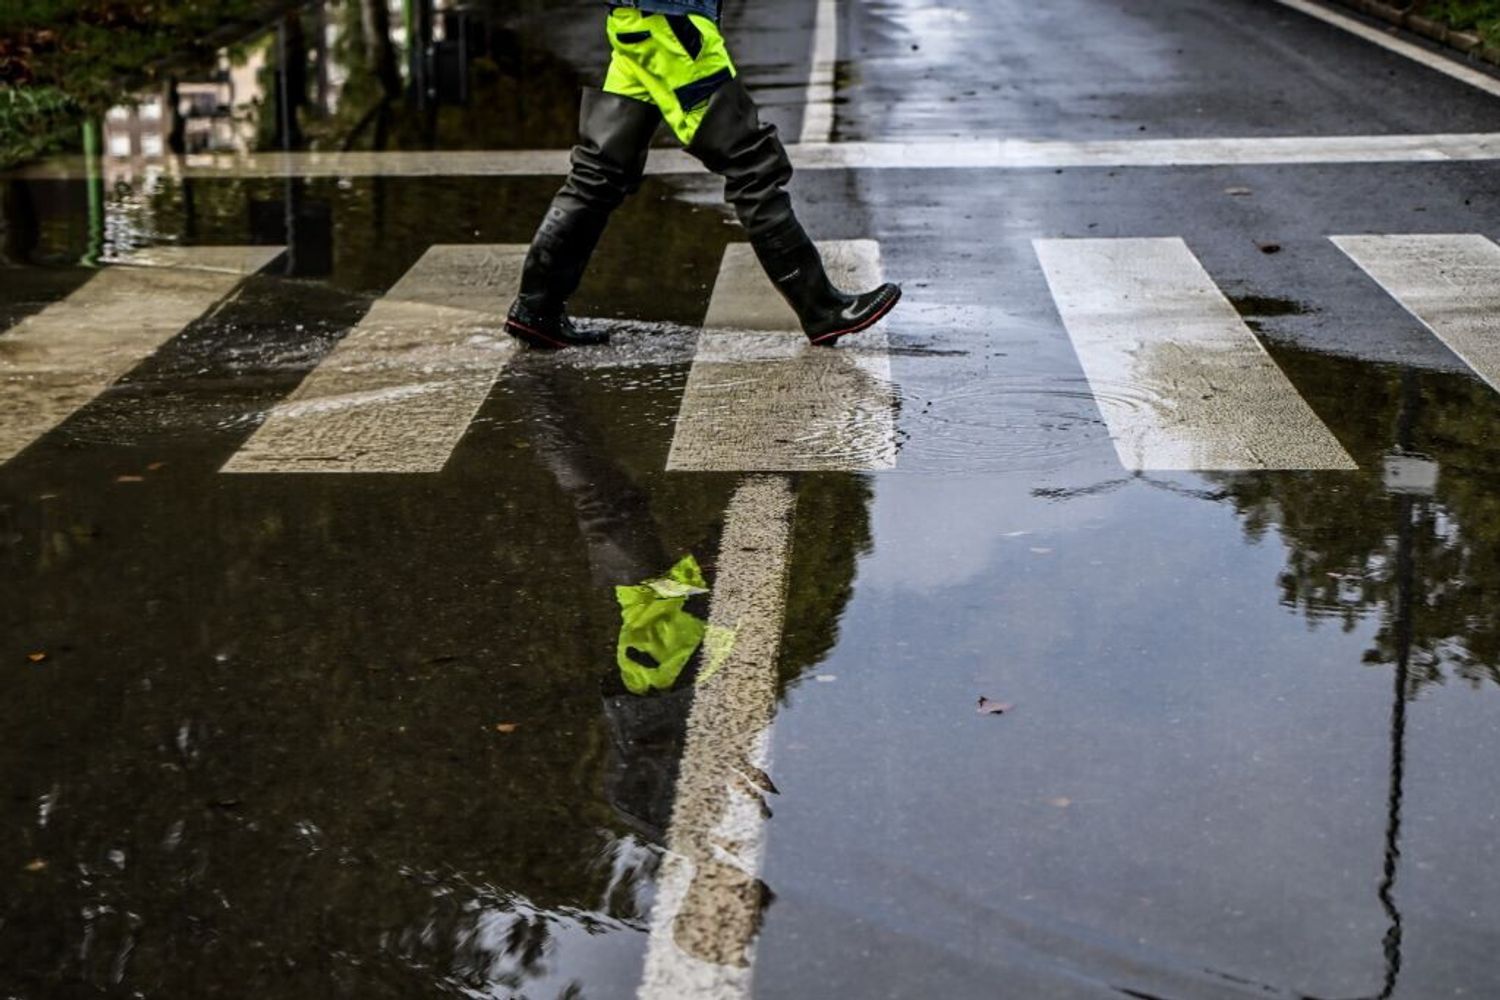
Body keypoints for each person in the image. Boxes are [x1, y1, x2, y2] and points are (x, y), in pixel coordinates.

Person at [505, 0, 902, 350]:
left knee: (601, 170)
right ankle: (822, 309)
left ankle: (537, 308)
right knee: (753, 163)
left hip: (639, 20)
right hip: (673, 25)